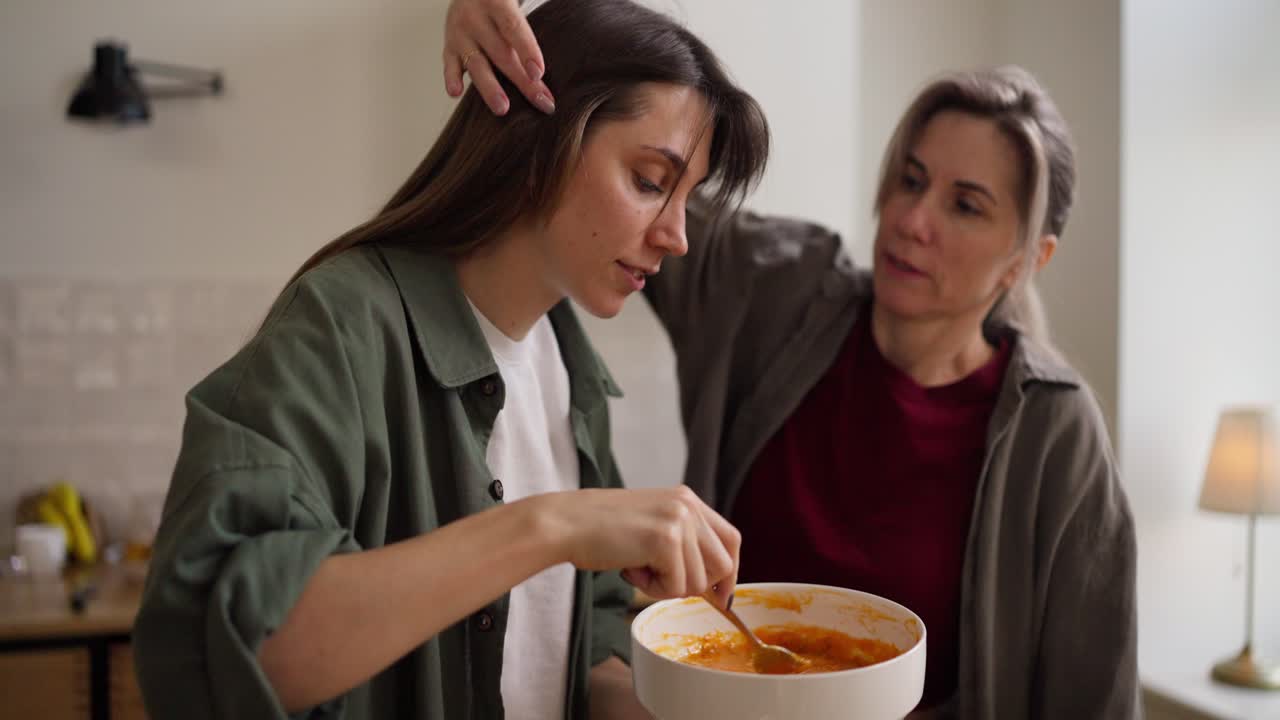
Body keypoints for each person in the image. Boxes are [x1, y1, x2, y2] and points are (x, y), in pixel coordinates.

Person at [444, 2, 1141, 718]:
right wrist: (522, 32)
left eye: (965, 206)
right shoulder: (777, 290)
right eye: (909, 178)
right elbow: (617, 170)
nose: (911, 219)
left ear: (1026, 261)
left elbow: (1094, 698)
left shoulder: (1057, 434)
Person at [131, 1, 770, 719]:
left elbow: (582, 645)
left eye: (688, 197)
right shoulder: (344, 324)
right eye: (652, 181)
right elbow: (232, 649)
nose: (678, 236)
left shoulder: (568, 360)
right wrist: (553, 526)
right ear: (544, 136)